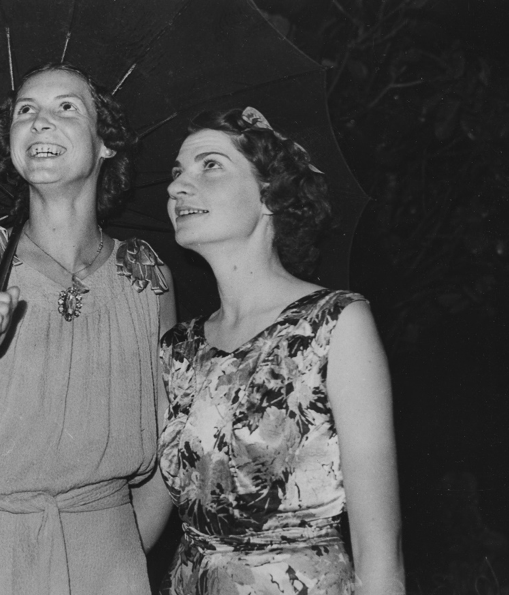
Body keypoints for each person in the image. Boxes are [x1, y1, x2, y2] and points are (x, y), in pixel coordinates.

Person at [0, 62, 176, 595]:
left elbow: (168, 449)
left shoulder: (147, 277)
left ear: (106, 144)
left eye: (66, 107)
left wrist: (122, 554)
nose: (40, 122)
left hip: (106, 556)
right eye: (27, 111)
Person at [158, 107, 404, 594]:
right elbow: (142, 511)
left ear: (270, 194)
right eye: (177, 173)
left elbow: (380, 553)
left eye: (209, 165)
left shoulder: (335, 324)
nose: (177, 186)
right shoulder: (178, 349)